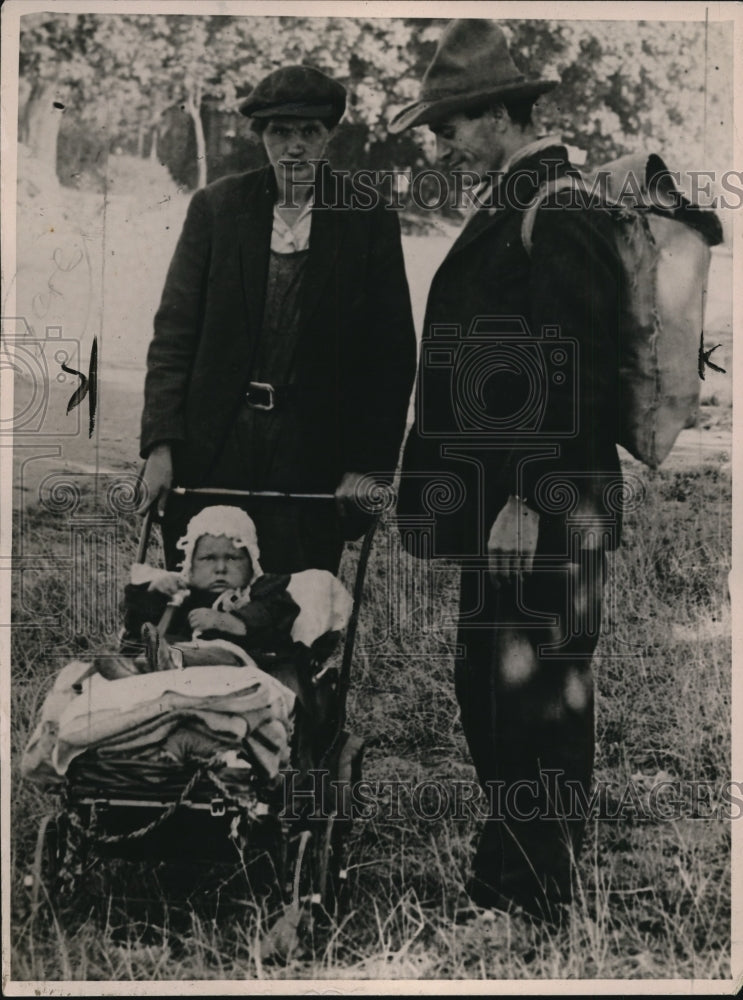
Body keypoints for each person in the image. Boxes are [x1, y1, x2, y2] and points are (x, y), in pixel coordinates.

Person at [391, 19, 624, 925]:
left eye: (449, 123)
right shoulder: (518, 194)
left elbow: (579, 367)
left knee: (536, 703)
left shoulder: (557, 204)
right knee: (490, 691)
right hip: (505, 508)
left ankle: (538, 905)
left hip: (543, 506)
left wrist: (529, 497)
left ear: (496, 113)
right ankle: (505, 883)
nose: (439, 140)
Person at [137, 65, 417, 575]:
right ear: (260, 136)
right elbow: (174, 335)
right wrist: (160, 447)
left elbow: (391, 354)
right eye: (280, 132)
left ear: (329, 135)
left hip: (314, 449)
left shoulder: (366, 217)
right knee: (207, 594)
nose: (295, 147)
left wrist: (367, 465)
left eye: (309, 132)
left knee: (297, 605)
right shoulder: (217, 208)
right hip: (215, 443)